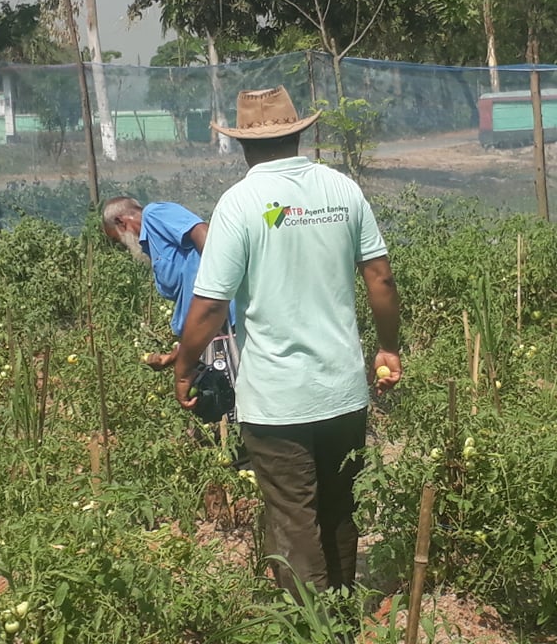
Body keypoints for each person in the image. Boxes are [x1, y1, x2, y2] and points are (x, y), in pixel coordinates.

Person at [172, 86, 402, 595]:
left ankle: (313, 628)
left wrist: (185, 365)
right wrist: (389, 348)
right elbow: (381, 279)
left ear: (242, 145)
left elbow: (210, 305)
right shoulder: (343, 190)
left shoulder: (239, 203)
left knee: (295, 523)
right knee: (340, 511)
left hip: (277, 403)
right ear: (298, 133)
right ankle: (339, 623)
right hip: (343, 393)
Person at [102, 197, 213, 370]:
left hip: (225, 324)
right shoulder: (152, 246)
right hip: (205, 334)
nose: (123, 247)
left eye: (117, 240)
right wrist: (170, 358)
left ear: (121, 222)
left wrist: (219, 289)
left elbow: (203, 233)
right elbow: (189, 302)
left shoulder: (154, 215)